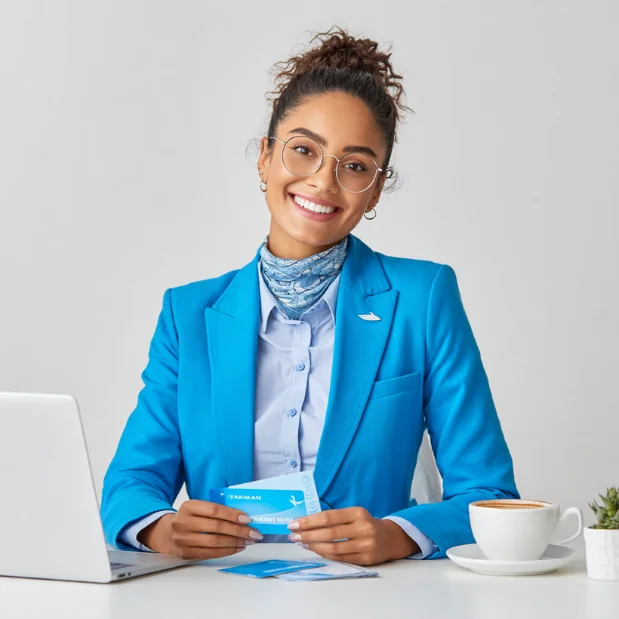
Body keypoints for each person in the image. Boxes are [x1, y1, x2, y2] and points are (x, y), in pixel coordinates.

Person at [101, 25, 519, 566]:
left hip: (370, 600)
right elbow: (130, 484)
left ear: (374, 190)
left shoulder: (422, 299)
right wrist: (160, 529)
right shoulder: (189, 314)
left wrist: (398, 533)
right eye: (304, 151)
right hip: (215, 597)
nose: (323, 182)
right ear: (265, 158)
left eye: (355, 165)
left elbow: (490, 496)